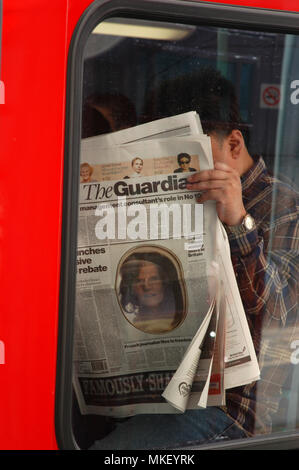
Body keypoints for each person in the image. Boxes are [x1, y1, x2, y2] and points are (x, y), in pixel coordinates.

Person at [90, 68, 299, 449]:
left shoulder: (283, 206)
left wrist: (238, 220)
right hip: (162, 387)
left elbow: (280, 314)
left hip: (229, 409)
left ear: (234, 145)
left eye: (189, 156)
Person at [118, 254, 184, 334]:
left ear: (164, 283)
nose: (147, 286)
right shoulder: (131, 331)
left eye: (153, 279)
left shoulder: (180, 318)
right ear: (132, 288)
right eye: (139, 281)